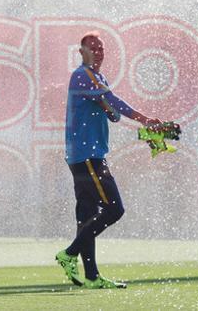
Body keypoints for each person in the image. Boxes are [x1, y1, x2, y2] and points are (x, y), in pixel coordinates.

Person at [55, 31, 163, 289]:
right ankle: (69, 254)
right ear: (82, 53)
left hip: (82, 156)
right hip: (88, 156)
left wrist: (109, 108)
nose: (98, 52)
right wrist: (145, 119)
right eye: (93, 48)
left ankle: (91, 276)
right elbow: (113, 102)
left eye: (101, 48)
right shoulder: (82, 74)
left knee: (88, 213)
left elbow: (112, 113)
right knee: (114, 208)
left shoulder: (97, 78)